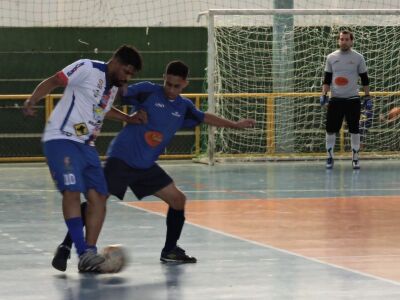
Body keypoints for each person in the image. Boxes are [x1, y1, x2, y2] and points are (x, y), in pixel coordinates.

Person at [53, 60, 256, 269]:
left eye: (176, 86)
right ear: (164, 79)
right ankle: (68, 247)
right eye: (168, 84)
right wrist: (121, 94)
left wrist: (234, 125)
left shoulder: (183, 107)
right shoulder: (147, 91)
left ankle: (170, 250)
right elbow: (118, 92)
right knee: (98, 200)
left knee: (178, 200)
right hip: (122, 159)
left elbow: (204, 118)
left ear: (185, 84)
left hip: (145, 166)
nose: (171, 89)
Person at [23, 45, 144, 272]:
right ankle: (83, 253)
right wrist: (32, 100)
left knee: (99, 196)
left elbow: (103, 110)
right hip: (61, 138)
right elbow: (54, 80)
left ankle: (89, 250)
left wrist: (129, 118)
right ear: (116, 62)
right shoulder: (87, 67)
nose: (127, 78)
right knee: (72, 190)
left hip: (86, 144)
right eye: (126, 72)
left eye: (131, 75)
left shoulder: (113, 88)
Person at [320, 30, 371, 170]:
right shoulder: (331, 57)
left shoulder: (358, 58)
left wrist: (367, 97)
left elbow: (365, 79)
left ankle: (355, 158)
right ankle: (329, 157)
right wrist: (324, 94)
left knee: (355, 130)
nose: (344, 41)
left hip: (352, 100)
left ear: (351, 41)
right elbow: (327, 79)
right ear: (338, 40)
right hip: (335, 99)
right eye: (341, 39)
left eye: (347, 39)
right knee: (330, 130)